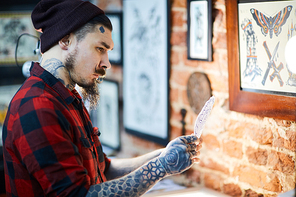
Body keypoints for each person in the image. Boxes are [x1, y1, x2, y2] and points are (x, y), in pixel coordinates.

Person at [2, 0, 203, 196]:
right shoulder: (38, 106)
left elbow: (104, 168)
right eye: (100, 49)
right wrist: (161, 168)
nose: (106, 63)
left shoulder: (68, 97)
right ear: (65, 40)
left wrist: (163, 155)